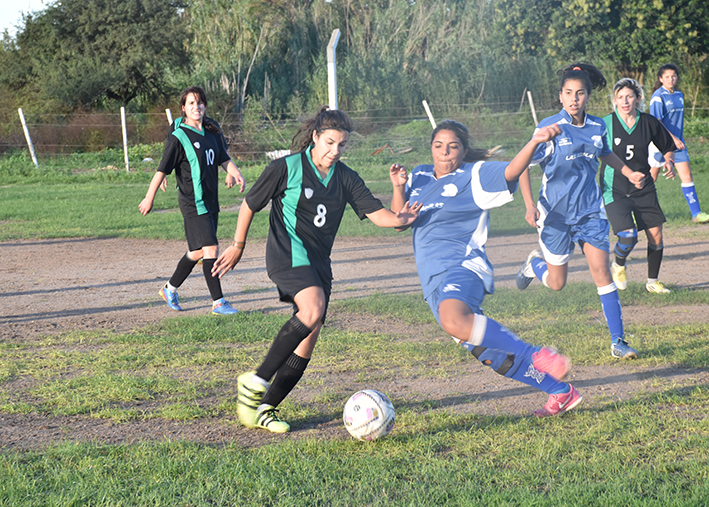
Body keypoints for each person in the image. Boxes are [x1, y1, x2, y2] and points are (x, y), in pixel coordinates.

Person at [211, 106, 422, 433]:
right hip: (287, 254)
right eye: (329, 142)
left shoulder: (346, 178)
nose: (335, 151)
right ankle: (254, 380)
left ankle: (265, 409)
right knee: (312, 309)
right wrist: (237, 246)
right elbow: (250, 204)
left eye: (342, 145)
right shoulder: (286, 167)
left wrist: (400, 214)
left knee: (307, 337)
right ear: (315, 137)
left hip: (319, 264)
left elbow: (384, 217)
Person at [389, 119, 582, 418]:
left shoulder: (473, 175)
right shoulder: (421, 175)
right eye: (438, 146)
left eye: (453, 147)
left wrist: (534, 142)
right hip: (432, 282)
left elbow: (511, 171)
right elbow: (400, 221)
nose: (445, 153)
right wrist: (399, 188)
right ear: (431, 148)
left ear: (464, 151)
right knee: (492, 357)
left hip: (463, 267)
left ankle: (538, 354)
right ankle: (560, 392)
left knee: (454, 320)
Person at [515, 63, 644, 360]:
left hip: (590, 213)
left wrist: (629, 172)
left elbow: (605, 153)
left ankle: (618, 342)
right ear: (560, 96)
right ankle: (533, 265)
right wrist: (529, 205)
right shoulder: (549, 128)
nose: (574, 99)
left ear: (587, 96)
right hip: (556, 217)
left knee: (602, 271)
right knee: (557, 284)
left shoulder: (598, 126)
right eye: (569, 93)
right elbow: (522, 165)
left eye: (580, 93)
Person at [139, 86, 246, 315]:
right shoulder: (179, 136)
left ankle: (170, 288)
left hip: (210, 201)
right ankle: (218, 302)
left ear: (205, 106)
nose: (196, 107)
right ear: (183, 108)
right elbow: (161, 170)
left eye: (199, 103)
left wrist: (235, 173)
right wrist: (150, 197)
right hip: (192, 201)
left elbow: (224, 158)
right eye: (190, 103)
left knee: (197, 252)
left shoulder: (212, 132)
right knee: (211, 248)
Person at [600, 78, 677, 294]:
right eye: (620, 97)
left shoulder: (649, 122)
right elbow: (595, 153)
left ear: (638, 98)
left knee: (656, 235)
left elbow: (668, 147)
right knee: (628, 236)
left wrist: (668, 161)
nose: (625, 101)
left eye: (629, 96)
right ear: (614, 101)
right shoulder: (605, 124)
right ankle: (619, 264)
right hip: (614, 188)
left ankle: (652, 281)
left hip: (643, 187)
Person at [650, 64, 709, 224]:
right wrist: (672, 139)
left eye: (673, 76)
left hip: (679, 144)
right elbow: (656, 121)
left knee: (687, 175)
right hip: (659, 143)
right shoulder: (658, 96)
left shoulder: (679, 95)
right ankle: (635, 211)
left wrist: (678, 140)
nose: (671, 79)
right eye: (667, 76)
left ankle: (696, 214)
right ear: (661, 79)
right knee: (651, 178)